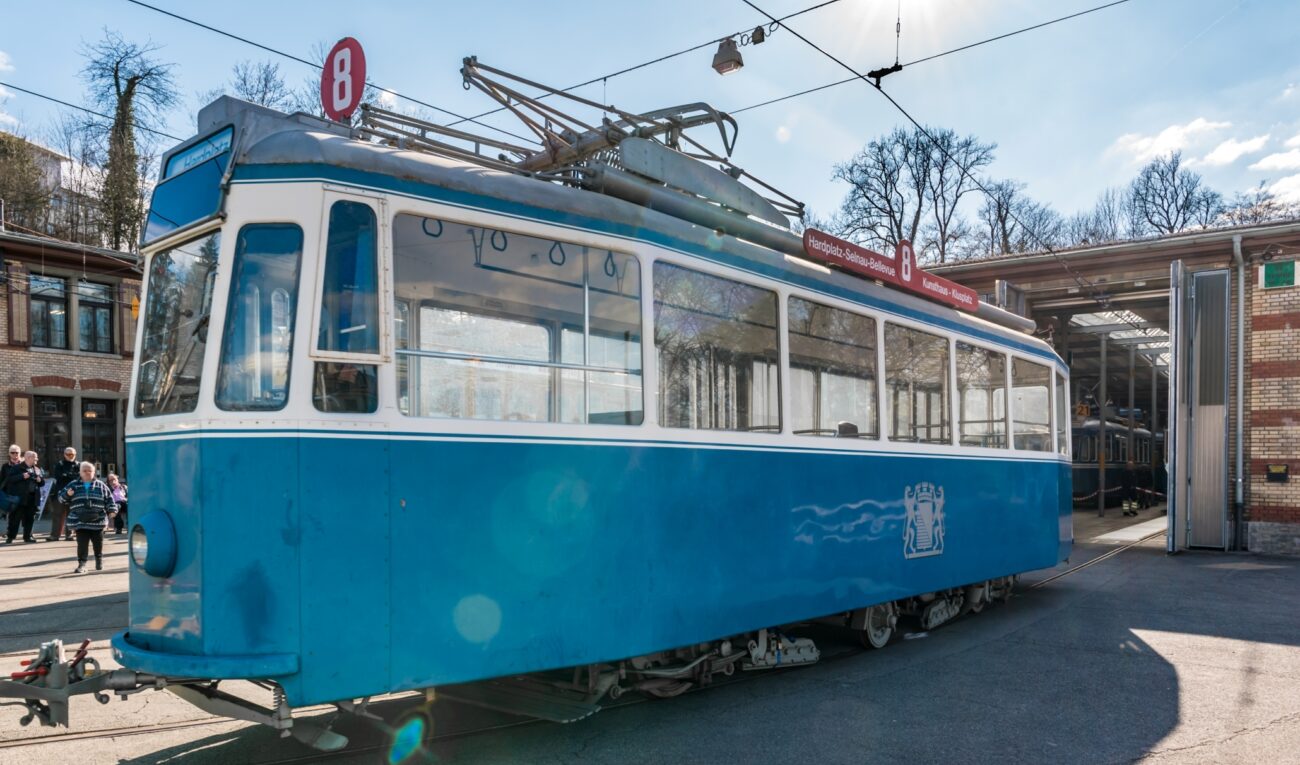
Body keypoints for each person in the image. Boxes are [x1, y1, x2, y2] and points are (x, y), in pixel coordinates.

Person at [65, 462, 116, 573]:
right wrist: (67, 494)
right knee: (82, 544)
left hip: (98, 520)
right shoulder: (73, 484)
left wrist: (112, 510)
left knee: (98, 543)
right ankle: (82, 564)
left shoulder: (101, 485)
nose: (87, 473)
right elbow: (61, 498)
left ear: (94, 472)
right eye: (85, 471)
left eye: (90, 471)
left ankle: (99, 560)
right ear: (80, 472)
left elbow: (109, 499)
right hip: (80, 520)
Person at [3, 451, 46, 543]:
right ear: (28, 458)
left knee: (30, 518)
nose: (37, 459)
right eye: (35, 457)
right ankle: (10, 537)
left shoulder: (37, 469)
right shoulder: (17, 468)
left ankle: (27, 537)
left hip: (32, 498)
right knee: (15, 518)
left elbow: (42, 483)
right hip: (19, 498)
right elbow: (9, 479)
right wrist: (22, 476)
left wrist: (40, 480)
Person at [47, 447, 80, 542]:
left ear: (75, 455)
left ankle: (69, 535)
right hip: (60, 493)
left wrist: (66, 475)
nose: (70, 456)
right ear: (64, 455)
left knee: (71, 514)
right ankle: (54, 535)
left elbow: (79, 478)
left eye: (72, 454)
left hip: (74, 493)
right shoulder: (59, 464)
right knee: (57, 514)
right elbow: (59, 477)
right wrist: (71, 476)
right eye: (68, 454)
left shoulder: (79, 465)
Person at [0, 445, 24, 522]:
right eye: (12, 453)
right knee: (12, 517)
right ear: (9, 454)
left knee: (24, 517)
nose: (15, 454)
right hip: (10, 493)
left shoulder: (24, 465)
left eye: (16, 452)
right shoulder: (5, 466)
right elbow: (2, 479)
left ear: (20, 453)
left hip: (22, 493)